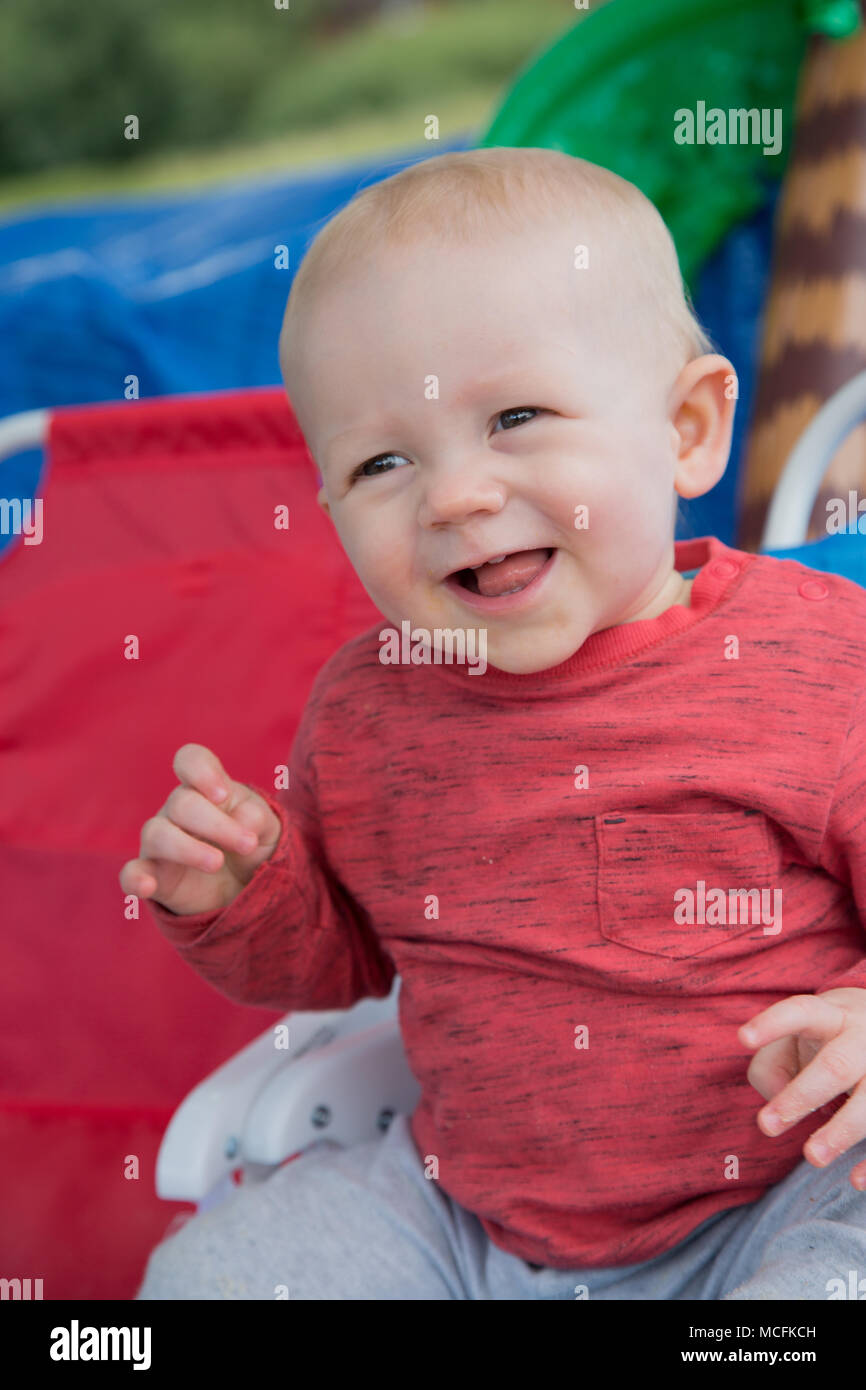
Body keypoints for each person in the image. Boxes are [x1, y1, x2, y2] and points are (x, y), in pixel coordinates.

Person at [125, 147, 866, 1300]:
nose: (454, 495)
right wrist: (246, 894)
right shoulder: (371, 710)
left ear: (682, 429)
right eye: (381, 461)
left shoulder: (815, 660)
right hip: (468, 1216)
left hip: (785, 1191)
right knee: (214, 1276)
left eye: (514, 416)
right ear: (328, 503)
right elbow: (347, 958)